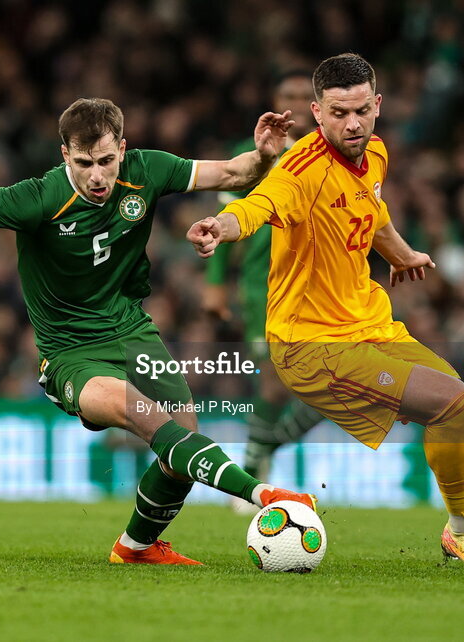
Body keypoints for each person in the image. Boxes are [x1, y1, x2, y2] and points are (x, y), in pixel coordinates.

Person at [0, 98, 315, 565]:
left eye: (106, 160)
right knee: (144, 416)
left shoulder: (147, 170)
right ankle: (265, 494)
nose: (98, 175)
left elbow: (233, 174)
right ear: (65, 155)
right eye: (84, 163)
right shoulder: (39, 198)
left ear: (123, 149)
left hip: (131, 330)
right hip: (69, 352)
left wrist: (262, 155)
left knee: (182, 441)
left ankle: (137, 547)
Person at [186, 53, 464, 569]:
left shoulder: (376, 155)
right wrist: (219, 226)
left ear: (378, 105)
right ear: (317, 114)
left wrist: (401, 253)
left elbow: (374, 211)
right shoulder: (301, 169)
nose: (352, 123)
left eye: (362, 110)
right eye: (339, 112)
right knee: (449, 401)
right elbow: (255, 207)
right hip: (311, 344)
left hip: (371, 326)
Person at [202, 70, 326, 495]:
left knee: (335, 384)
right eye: (285, 95)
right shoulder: (251, 154)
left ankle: (263, 446)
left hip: (320, 285)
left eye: (300, 96)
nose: (292, 103)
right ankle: (254, 469)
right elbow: (223, 221)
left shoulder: (330, 155)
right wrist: (216, 281)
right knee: (274, 382)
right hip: (264, 285)